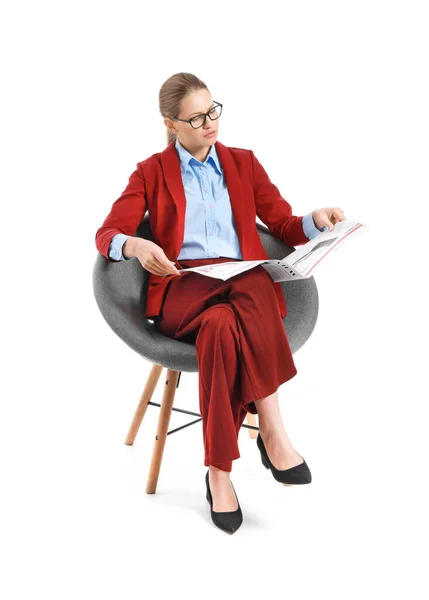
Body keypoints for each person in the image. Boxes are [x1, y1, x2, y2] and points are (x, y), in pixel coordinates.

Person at [95, 72, 346, 534]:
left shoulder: (244, 163)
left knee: (222, 325)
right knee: (252, 284)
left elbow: (284, 226)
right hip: (182, 289)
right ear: (171, 124)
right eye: (196, 118)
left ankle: (219, 473)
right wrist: (136, 247)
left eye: (214, 111)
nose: (210, 123)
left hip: (231, 297)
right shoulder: (150, 171)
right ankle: (272, 430)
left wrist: (315, 220)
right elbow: (108, 233)